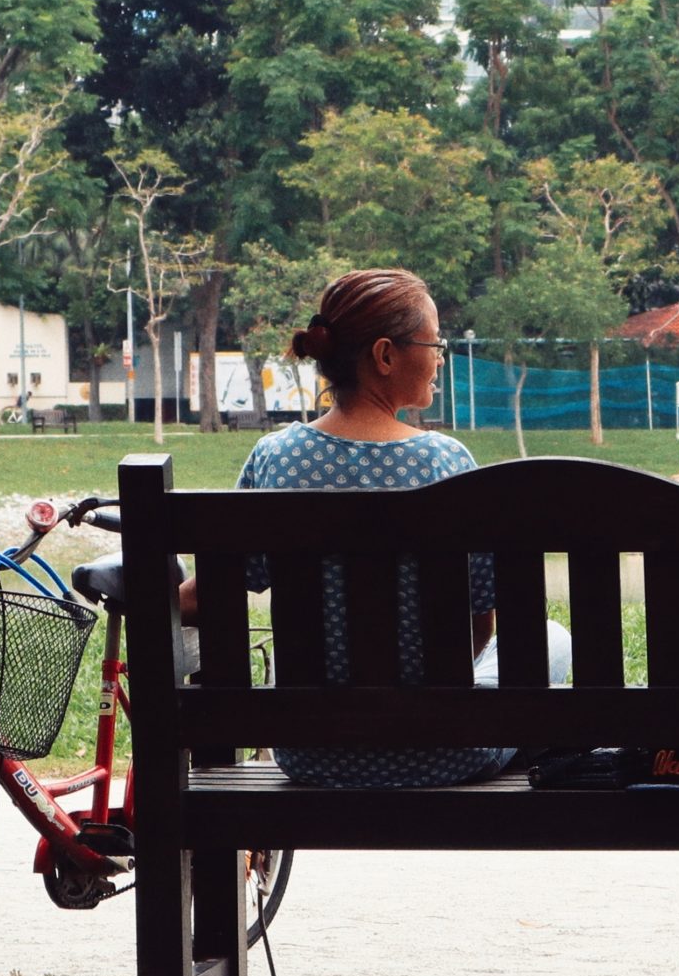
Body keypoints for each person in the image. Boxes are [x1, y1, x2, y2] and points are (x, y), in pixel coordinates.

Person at [186, 266, 570, 788]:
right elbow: (481, 629)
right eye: (433, 343)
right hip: (448, 752)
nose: (439, 357)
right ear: (386, 355)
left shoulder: (277, 458)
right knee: (551, 639)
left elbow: (211, 595)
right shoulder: (447, 462)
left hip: (311, 753)